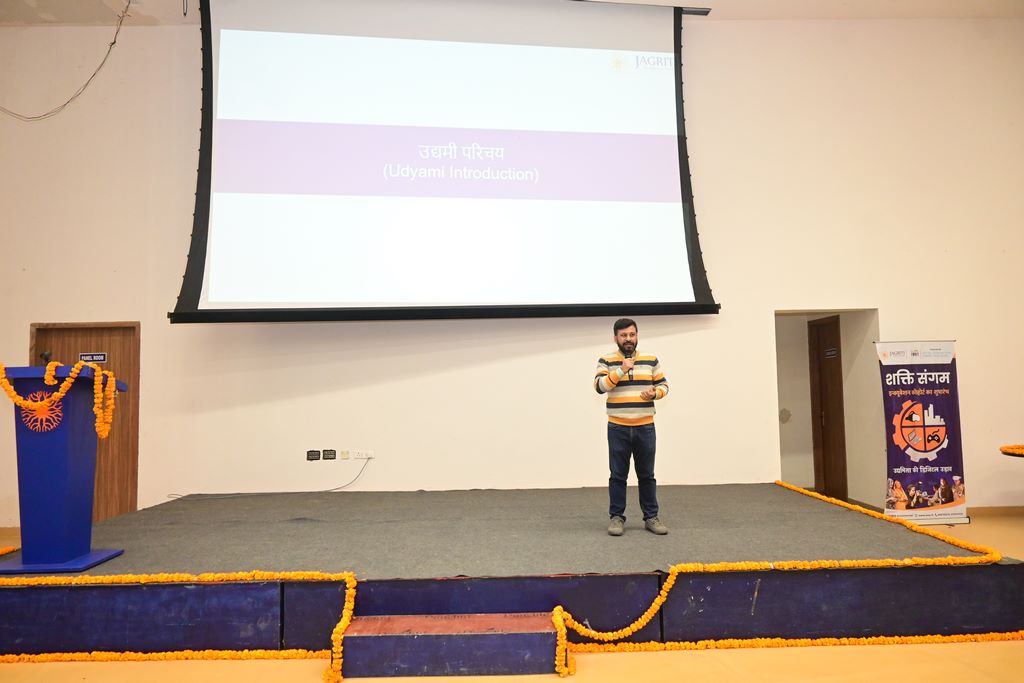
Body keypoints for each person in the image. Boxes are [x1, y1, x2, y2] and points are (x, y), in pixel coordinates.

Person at [594, 318, 669, 536]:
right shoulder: (606, 360)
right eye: (624, 335)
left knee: (647, 475)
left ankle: (651, 517)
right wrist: (621, 370)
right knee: (618, 475)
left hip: (645, 427)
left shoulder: (650, 359)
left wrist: (655, 393)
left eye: (632, 335)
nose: (628, 339)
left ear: (637, 336)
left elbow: (664, 385)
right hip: (617, 427)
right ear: (615, 338)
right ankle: (616, 517)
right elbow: (599, 386)